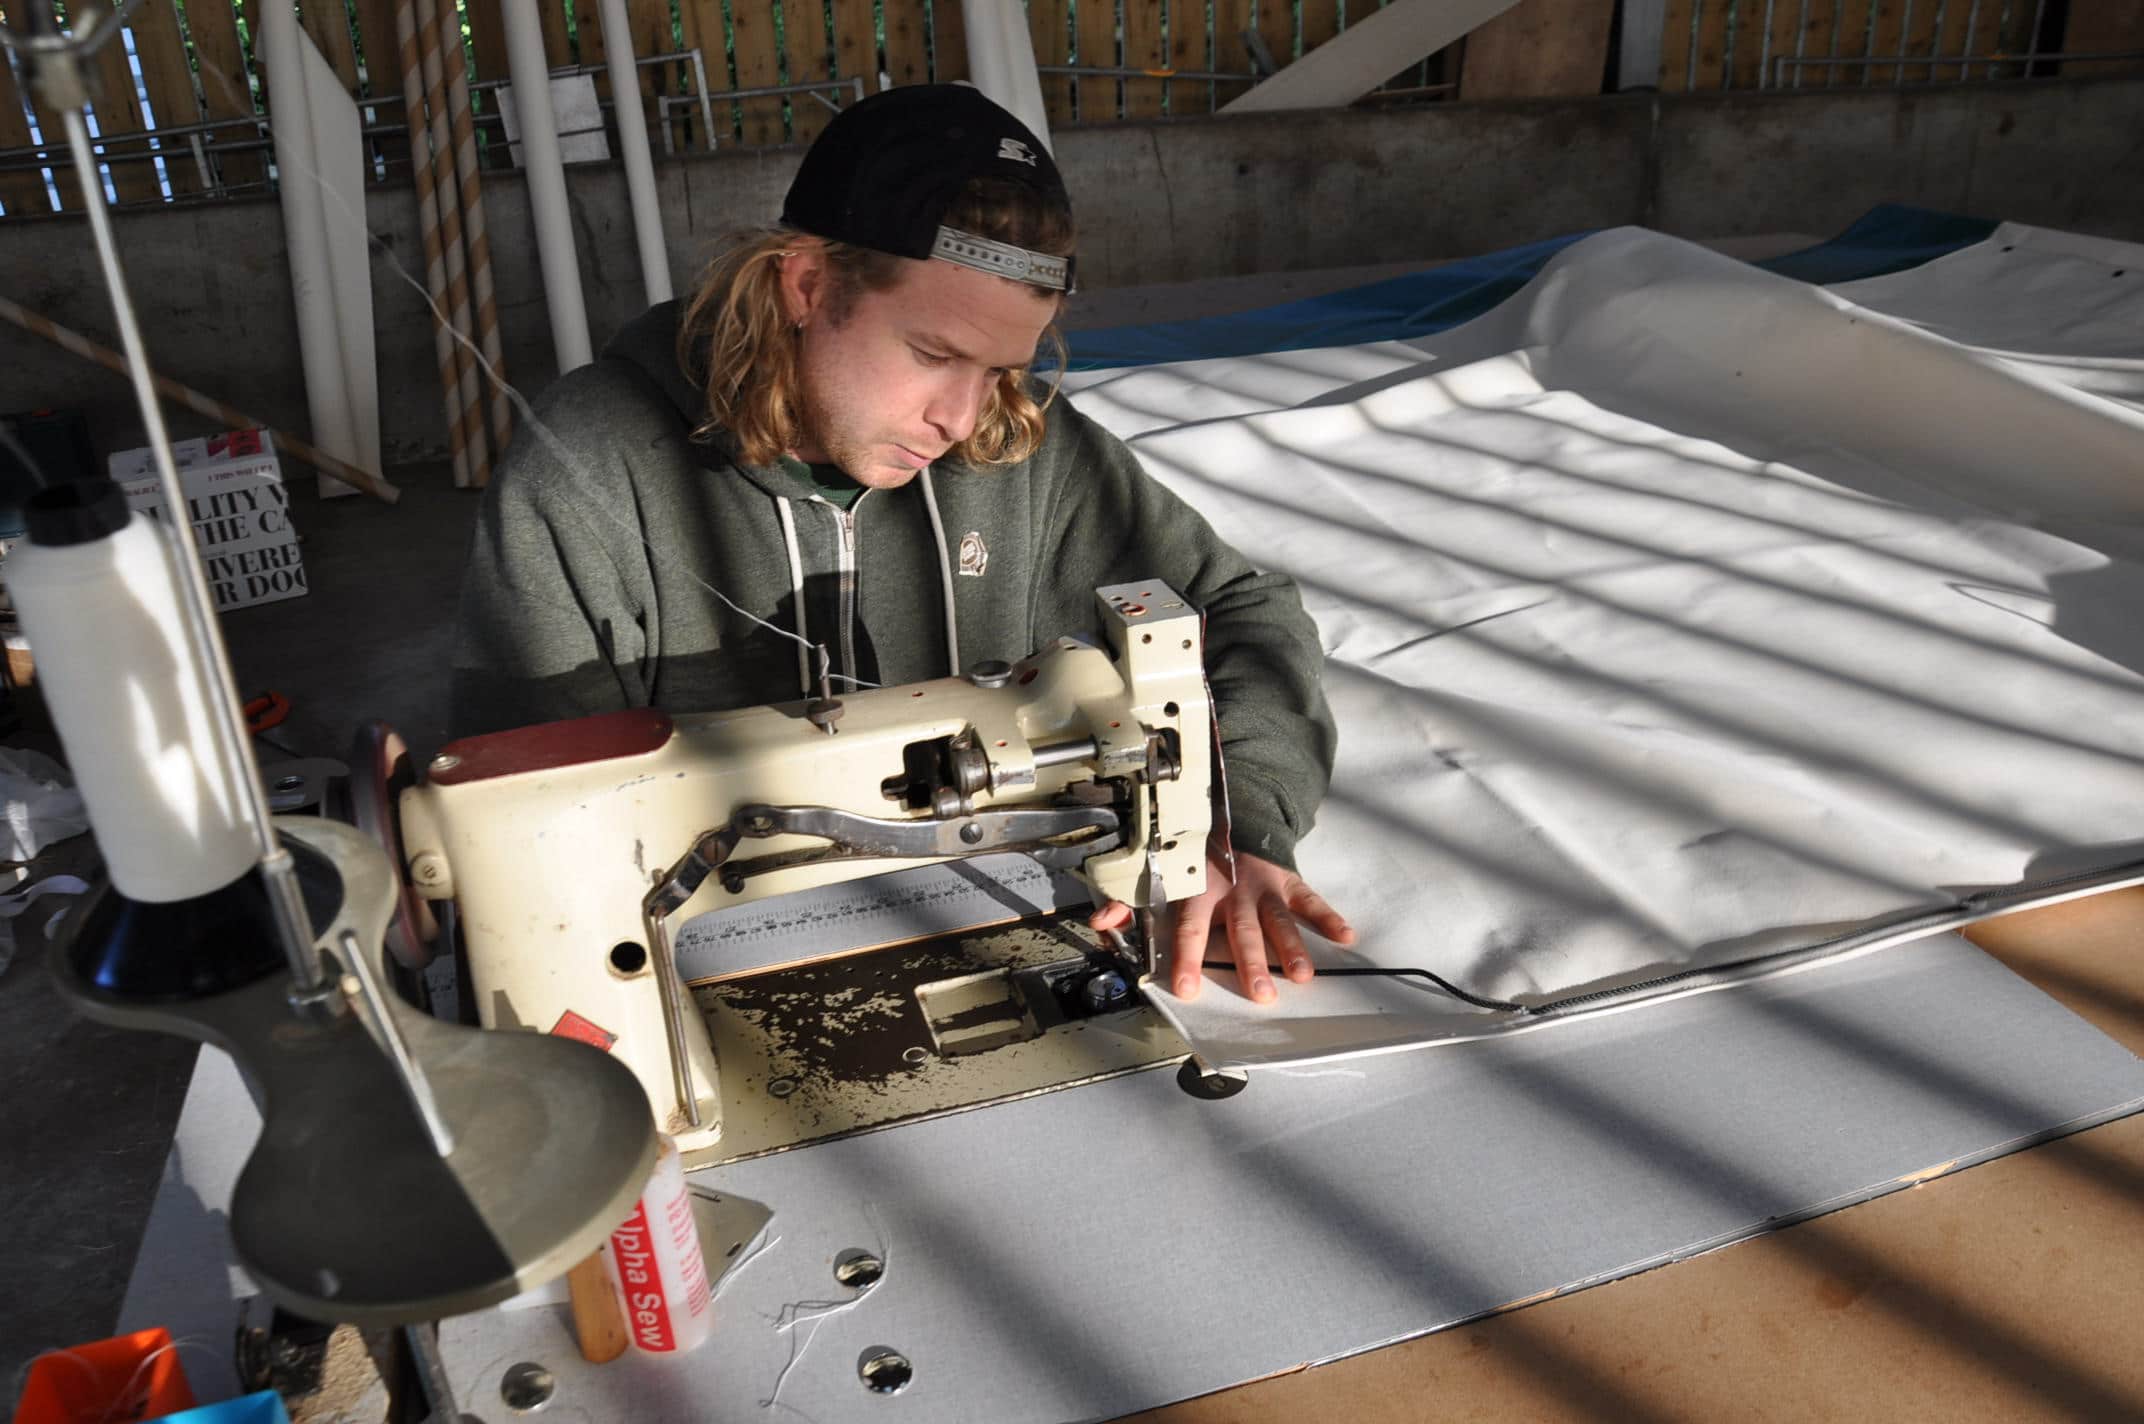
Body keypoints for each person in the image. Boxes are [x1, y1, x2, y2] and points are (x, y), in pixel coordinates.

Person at [451, 84, 1352, 1002]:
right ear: (803, 286)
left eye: (1001, 367)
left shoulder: (1023, 448)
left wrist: (1236, 823)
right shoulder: (588, 474)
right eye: (931, 354)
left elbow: (1241, 612)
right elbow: (529, 815)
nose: (961, 422)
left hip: (985, 925)